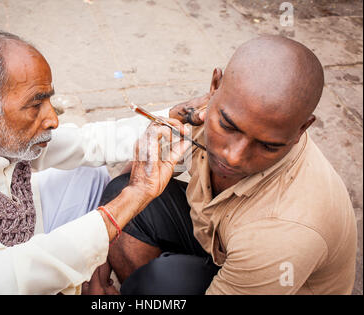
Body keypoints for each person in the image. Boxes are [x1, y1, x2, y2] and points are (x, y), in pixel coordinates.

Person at [0, 30, 191, 294]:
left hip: (17, 237)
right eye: (35, 105)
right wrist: (130, 199)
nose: (53, 119)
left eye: (49, 101)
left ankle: (87, 276)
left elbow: (86, 143)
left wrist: (168, 118)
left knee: (88, 174)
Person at [90, 35, 358, 295]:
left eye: (268, 146)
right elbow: (141, 169)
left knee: (158, 285)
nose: (234, 157)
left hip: (265, 271)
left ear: (302, 128)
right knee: (123, 193)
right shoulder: (210, 110)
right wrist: (98, 255)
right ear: (215, 87)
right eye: (228, 127)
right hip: (219, 243)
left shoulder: (285, 234)